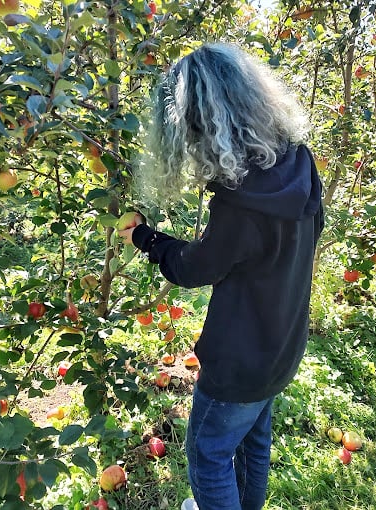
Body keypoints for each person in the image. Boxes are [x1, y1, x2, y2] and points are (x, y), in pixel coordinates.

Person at [118, 43, 324, 510]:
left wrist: (149, 240)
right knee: (253, 442)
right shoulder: (298, 163)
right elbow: (311, 232)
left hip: (239, 364)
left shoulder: (239, 204)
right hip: (282, 346)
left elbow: (197, 268)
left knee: (208, 456)